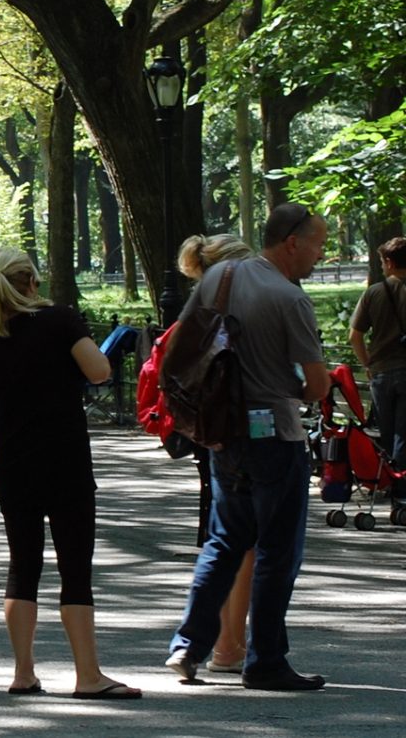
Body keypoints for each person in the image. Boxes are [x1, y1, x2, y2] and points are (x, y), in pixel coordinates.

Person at [165, 202, 329, 691]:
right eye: (319, 243)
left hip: (224, 432)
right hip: (275, 436)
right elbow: (317, 385)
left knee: (225, 540)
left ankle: (187, 646)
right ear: (293, 243)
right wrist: (294, 388)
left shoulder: (223, 277)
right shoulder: (290, 299)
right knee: (278, 551)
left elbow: (185, 344)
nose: (322, 254)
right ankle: (266, 661)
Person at [0, 248, 140, 700]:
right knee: (74, 568)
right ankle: (88, 676)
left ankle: (23, 672)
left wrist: (1, 471)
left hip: (11, 468)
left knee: (23, 567)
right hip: (64, 462)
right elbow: (101, 370)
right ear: (32, 283)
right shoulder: (61, 322)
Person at [176, 233, 259, 675]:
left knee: (223, 538)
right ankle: (228, 645)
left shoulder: (198, 307)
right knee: (239, 543)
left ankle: (211, 643)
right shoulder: (236, 303)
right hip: (239, 431)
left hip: (208, 433)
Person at [349, 235, 406, 473]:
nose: (382, 267)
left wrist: (368, 365)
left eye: (382, 262)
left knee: (386, 431)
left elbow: (354, 336)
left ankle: (389, 481)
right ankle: (402, 490)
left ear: (390, 262)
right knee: (403, 434)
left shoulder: (374, 293)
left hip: (381, 372)